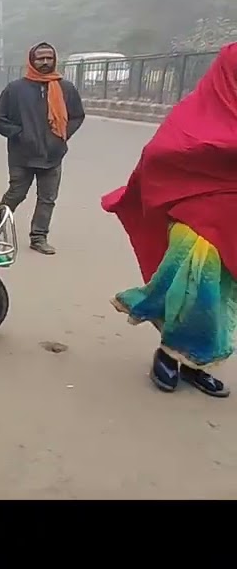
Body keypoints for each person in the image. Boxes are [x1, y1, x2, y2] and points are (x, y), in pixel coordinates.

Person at [103, 44, 237, 398]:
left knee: (219, 294)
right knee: (193, 283)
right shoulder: (194, 114)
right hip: (192, 216)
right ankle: (170, 353)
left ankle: (196, 361)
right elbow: (159, 154)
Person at [0, 43, 85, 255]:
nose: (45, 62)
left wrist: (61, 136)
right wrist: (20, 134)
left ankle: (39, 237)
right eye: (40, 58)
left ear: (55, 60)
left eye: (49, 58)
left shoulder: (66, 88)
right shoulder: (15, 89)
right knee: (16, 194)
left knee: (47, 198)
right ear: (31, 61)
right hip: (22, 155)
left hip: (53, 154)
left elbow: (77, 115)